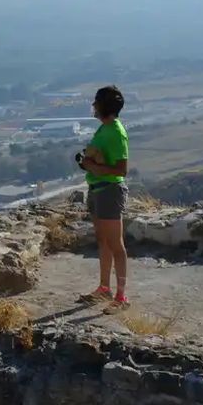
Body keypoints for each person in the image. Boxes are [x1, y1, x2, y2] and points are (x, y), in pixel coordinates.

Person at [78, 85, 130, 307]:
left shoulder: (116, 132)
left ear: (103, 106)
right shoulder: (104, 128)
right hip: (98, 189)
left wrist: (95, 167)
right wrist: (89, 163)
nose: (93, 106)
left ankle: (121, 297)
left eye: (96, 102)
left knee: (115, 244)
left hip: (109, 191)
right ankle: (104, 288)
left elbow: (121, 169)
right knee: (104, 241)